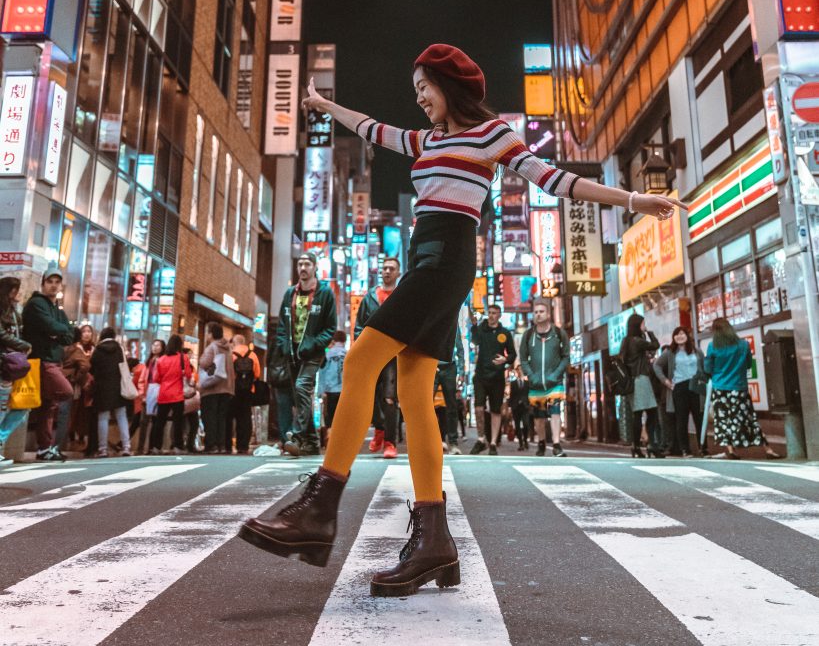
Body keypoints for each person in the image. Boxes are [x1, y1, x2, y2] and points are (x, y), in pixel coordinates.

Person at [239, 43, 685, 596]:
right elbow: (374, 129)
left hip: (446, 261)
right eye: (416, 90)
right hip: (425, 261)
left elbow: (554, 180)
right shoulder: (427, 140)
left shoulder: (492, 134)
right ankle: (433, 541)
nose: (419, 97)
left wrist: (633, 200)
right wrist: (325, 107)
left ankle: (319, 507)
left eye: (424, 85)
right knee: (414, 395)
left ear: (449, 83)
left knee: (360, 361)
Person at [276, 253, 337, 458]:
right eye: (300, 264)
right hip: (292, 353)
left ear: (315, 267)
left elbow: (330, 328)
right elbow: (282, 326)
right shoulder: (289, 294)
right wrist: (283, 345)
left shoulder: (325, 293)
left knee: (302, 387)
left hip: (313, 353)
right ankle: (312, 443)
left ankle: (298, 436)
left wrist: (314, 343)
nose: (303, 267)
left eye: (307, 264)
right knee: (300, 397)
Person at [704, 317, 781, 460]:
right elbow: (747, 365)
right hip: (739, 388)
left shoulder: (712, 346)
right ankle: (768, 449)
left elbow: (708, 368)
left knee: (723, 420)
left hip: (720, 388)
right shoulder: (743, 345)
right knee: (750, 418)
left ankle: (731, 450)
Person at [22, 269, 74, 461]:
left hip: (53, 360)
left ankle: (45, 448)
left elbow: (69, 334)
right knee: (66, 392)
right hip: (42, 360)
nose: (53, 285)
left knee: (49, 405)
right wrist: (57, 331)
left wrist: (58, 332)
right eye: (50, 281)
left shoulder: (57, 309)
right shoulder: (37, 304)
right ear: (43, 283)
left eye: (57, 282)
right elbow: (54, 327)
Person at [355, 258, 402, 459]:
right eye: (384, 268)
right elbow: (359, 326)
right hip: (371, 353)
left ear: (398, 273)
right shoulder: (369, 298)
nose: (387, 271)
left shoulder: (403, 297)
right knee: (370, 394)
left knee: (390, 398)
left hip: (393, 354)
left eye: (392, 269)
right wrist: (360, 346)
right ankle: (380, 429)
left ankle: (390, 442)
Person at [519, 298, 570, 457]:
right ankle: (541, 442)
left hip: (554, 382)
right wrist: (531, 376)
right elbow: (523, 359)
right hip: (536, 383)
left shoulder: (559, 334)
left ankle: (556, 444)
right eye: (536, 312)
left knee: (555, 411)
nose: (538, 315)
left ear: (548, 314)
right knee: (539, 416)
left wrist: (556, 374)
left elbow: (566, 356)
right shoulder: (528, 335)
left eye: (541, 311)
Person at [469, 302, 517, 456]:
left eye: (494, 313)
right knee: (478, 407)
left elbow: (512, 354)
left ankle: (494, 442)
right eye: (489, 312)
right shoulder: (481, 330)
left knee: (496, 410)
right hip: (481, 375)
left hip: (497, 377)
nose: (491, 315)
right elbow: (475, 341)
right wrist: (475, 325)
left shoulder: (505, 333)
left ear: (499, 315)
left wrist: (505, 359)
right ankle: (481, 438)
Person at [653, 326, 707, 457]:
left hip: (696, 386)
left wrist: (704, 382)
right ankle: (685, 450)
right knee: (681, 420)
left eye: (682, 333)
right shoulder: (670, 353)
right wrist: (666, 381)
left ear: (687, 336)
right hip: (679, 388)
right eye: (677, 334)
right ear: (674, 338)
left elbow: (704, 368)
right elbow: (656, 365)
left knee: (699, 418)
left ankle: (703, 448)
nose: (680, 336)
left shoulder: (697, 351)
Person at [620, 313, 664, 458]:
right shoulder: (637, 341)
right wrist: (649, 333)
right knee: (651, 413)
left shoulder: (626, 341)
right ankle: (652, 445)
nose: (645, 326)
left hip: (632, 381)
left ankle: (637, 447)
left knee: (637, 414)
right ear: (638, 325)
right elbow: (656, 345)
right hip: (641, 380)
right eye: (643, 324)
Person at [0, 276, 31, 464]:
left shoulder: (14, 311)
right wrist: (23, 344)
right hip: (4, 362)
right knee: (2, 406)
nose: (17, 294)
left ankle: (0, 439)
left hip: (14, 364)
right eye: (14, 290)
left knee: (22, 406)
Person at [90, 327, 132, 457]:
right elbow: (124, 367)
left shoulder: (97, 350)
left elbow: (92, 368)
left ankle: (102, 448)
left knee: (103, 417)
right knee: (121, 416)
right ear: (114, 336)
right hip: (118, 386)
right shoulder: (119, 349)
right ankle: (126, 447)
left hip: (102, 387)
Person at [149, 334, 191, 454]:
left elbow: (156, 378)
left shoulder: (161, 360)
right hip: (177, 394)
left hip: (163, 394)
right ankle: (178, 446)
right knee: (178, 422)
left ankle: (156, 447)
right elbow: (188, 375)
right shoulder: (183, 358)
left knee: (160, 422)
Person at [199, 322, 234, 454]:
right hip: (226, 388)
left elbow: (204, 363)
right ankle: (221, 445)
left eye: (208, 332)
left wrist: (200, 361)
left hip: (212, 388)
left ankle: (211, 445)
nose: (207, 335)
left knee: (210, 417)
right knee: (221, 418)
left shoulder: (212, 347)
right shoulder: (228, 348)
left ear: (211, 334)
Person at [62, 324, 95, 452]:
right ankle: (70, 436)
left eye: (89, 331)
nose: (87, 334)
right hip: (76, 385)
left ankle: (81, 436)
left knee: (84, 412)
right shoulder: (75, 348)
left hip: (88, 386)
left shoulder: (94, 348)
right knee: (72, 410)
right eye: (84, 331)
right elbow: (84, 366)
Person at [434, 324, 465, 455]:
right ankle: (429, 440)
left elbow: (460, 348)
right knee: (425, 406)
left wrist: (462, 371)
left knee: (452, 407)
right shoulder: (431, 318)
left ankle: (453, 442)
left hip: (449, 367)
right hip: (431, 365)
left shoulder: (452, 321)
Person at [227, 334, 259, 454]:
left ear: (234, 342)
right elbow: (257, 374)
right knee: (245, 418)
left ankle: (228, 444)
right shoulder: (253, 355)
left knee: (230, 417)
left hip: (233, 390)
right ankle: (243, 445)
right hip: (248, 391)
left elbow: (228, 373)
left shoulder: (231, 354)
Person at [136, 339, 165, 454]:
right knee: (143, 422)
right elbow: (142, 380)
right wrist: (142, 394)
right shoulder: (148, 363)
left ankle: (152, 447)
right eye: (153, 344)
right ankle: (140, 448)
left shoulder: (163, 360)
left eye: (158, 345)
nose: (155, 347)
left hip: (159, 393)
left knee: (156, 421)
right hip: (147, 394)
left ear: (163, 348)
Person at [318, 330, 346, 431]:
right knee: (342, 416)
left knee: (330, 415)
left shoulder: (328, 354)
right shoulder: (348, 354)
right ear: (344, 341)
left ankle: (330, 439)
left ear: (334, 340)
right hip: (344, 390)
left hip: (330, 390)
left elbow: (323, 372)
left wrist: (321, 391)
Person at [508, 365, 530, 451]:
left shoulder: (527, 383)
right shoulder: (513, 383)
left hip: (525, 407)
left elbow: (529, 395)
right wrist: (510, 407)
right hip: (516, 407)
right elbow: (511, 395)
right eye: (519, 370)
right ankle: (521, 443)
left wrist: (529, 404)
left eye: (521, 369)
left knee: (526, 424)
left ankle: (525, 440)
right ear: (516, 371)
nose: (520, 371)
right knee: (517, 425)